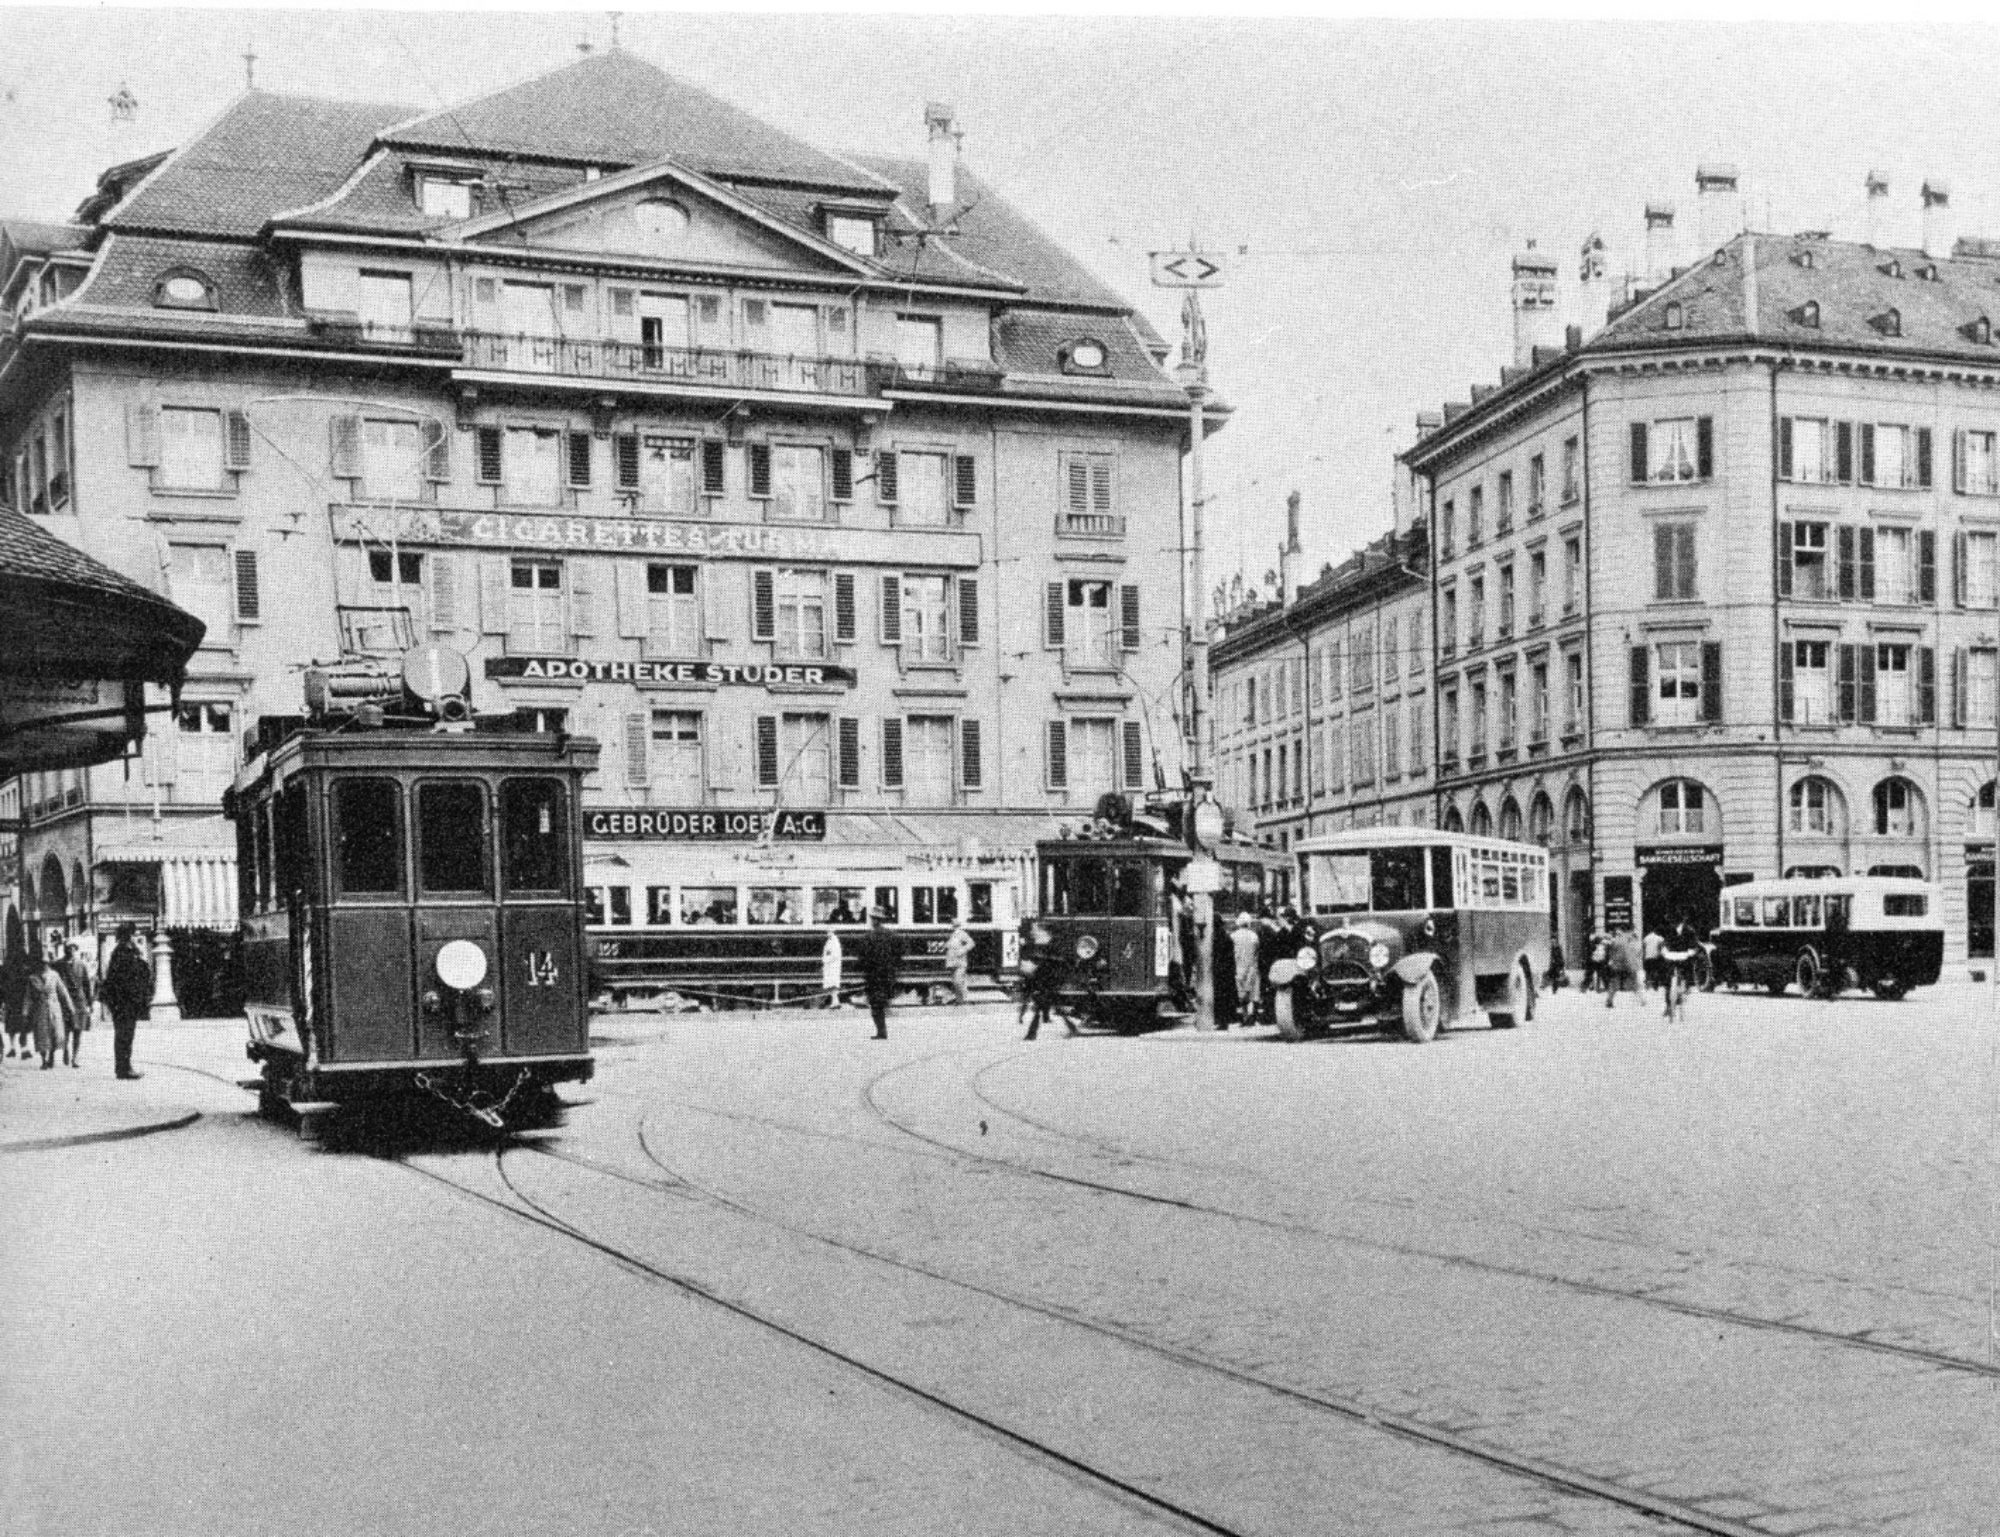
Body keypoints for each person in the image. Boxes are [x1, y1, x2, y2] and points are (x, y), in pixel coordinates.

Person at [101, 924, 153, 1080]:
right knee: (125, 1034)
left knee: (125, 1034)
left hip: (124, 1001)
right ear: (128, 936)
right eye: (132, 934)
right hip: (124, 1002)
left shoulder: (123, 952)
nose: (134, 937)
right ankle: (124, 1068)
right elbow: (126, 978)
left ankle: (124, 1067)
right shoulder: (123, 953)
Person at [23, 948, 78, 1071]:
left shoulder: (54, 975)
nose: (44, 965)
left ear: (49, 964)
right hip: (40, 1009)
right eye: (41, 963)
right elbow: (28, 997)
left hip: (54, 1008)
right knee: (41, 1034)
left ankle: (52, 1056)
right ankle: (44, 1059)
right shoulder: (32, 978)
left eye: (46, 963)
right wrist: (25, 1012)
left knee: (55, 1033)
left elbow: (63, 992)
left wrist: (70, 1007)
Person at [854, 908, 902, 1040]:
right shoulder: (893, 935)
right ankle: (882, 1031)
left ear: (874, 920)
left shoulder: (868, 937)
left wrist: (863, 970)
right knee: (881, 1002)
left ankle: (881, 1032)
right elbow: (899, 954)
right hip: (888, 975)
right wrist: (893, 968)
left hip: (873, 976)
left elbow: (862, 958)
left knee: (875, 1005)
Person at [1020, 922, 1069, 1039]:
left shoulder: (1054, 943)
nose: (1032, 931)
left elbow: (1060, 961)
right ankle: (1070, 1026)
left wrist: (1038, 962)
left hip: (1051, 978)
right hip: (1041, 977)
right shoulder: (1036, 943)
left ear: (1043, 930)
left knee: (1041, 1005)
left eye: (1035, 929)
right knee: (1046, 1004)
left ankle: (1031, 1033)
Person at [1661, 921, 1699, 1020]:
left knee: (1688, 973)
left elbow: (1694, 944)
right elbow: (1665, 942)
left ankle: (1688, 988)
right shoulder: (1670, 930)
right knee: (1667, 980)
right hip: (1672, 956)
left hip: (1684, 956)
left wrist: (1692, 951)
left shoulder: (1689, 930)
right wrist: (1664, 950)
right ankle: (1668, 1005)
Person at [1230, 913, 1262, 1026]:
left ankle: (1244, 1017)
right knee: (1253, 993)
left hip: (1239, 966)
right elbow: (1257, 950)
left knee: (1241, 993)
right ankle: (1252, 1017)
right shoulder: (1254, 936)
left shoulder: (1233, 936)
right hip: (1252, 967)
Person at [942, 918, 974, 1006]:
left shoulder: (961, 934)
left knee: (957, 981)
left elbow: (971, 943)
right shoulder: (953, 935)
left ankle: (960, 1000)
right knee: (955, 981)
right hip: (953, 962)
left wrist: (962, 950)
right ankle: (959, 999)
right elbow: (949, 945)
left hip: (960, 962)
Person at [820, 929, 844, 1009]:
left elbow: (834, 955)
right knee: (831, 985)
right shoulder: (829, 941)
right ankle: (835, 1002)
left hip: (833, 966)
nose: (827, 933)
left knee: (833, 984)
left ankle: (835, 1002)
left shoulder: (835, 942)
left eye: (829, 932)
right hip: (829, 965)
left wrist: (826, 960)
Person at [1641, 927, 1666, 993]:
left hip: (1647, 957)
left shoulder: (1646, 938)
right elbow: (1662, 945)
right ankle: (1655, 986)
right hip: (1655, 957)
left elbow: (1643, 947)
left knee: (1648, 972)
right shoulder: (1659, 938)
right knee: (1655, 971)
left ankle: (1647, 985)